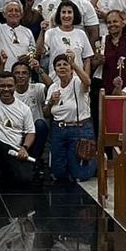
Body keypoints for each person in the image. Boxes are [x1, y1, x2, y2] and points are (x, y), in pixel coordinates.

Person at [0, 71, 38, 185]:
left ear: (15, 86)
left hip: (13, 150)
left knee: (24, 180)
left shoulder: (24, 108)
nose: (6, 89)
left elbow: (31, 132)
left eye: (9, 86)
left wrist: (24, 148)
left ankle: (4, 173)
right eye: (2, 86)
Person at [44, 53, 95, 183]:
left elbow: (87, 81)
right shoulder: (53, 87)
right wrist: (50, 102)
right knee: (58, 174)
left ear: (71, 69)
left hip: (80, 129)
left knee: (79, 176)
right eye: (58, 65)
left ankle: (97, 160)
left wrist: (74, 64)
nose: (62, 67)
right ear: (54, 70)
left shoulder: (78, 82)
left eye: (65, 64)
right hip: (59, 130)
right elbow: (46, 113)